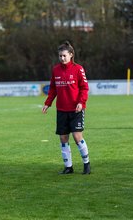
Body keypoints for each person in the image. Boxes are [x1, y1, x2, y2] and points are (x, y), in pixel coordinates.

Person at [42, 41, 91, 174]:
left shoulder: (78, 69)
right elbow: (53, 89)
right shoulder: (55, 70)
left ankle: (86, 164)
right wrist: (48, 103)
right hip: (62, 110)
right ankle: (68, 167)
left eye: (64, 55)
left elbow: (84, 88)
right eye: (60, 56)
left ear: (71, 55)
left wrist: (81, 102)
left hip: (76, 109)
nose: (62, 58)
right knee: (63, 138)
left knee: (77, 137)